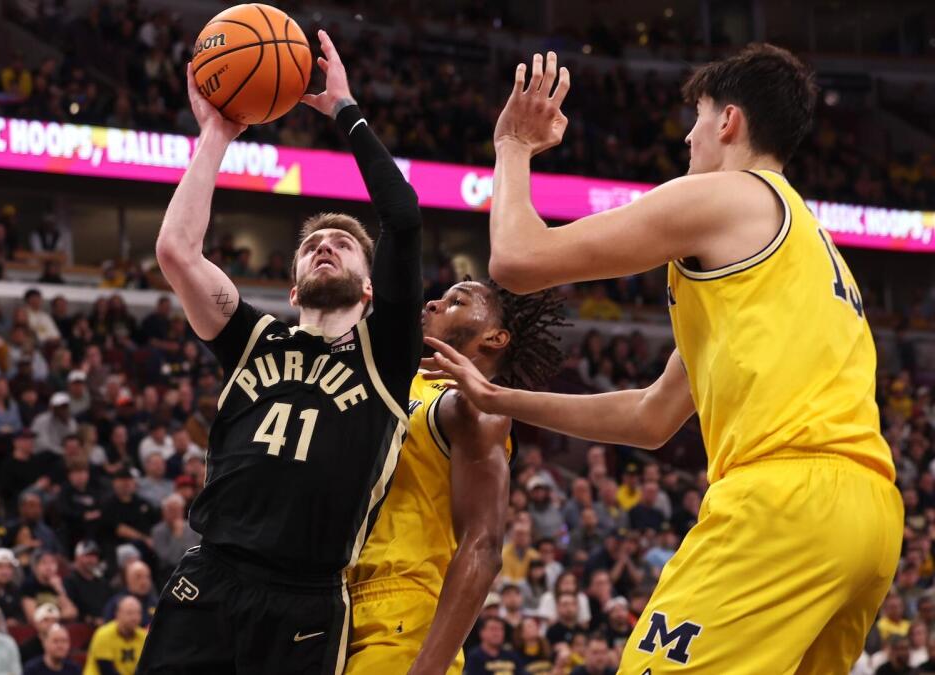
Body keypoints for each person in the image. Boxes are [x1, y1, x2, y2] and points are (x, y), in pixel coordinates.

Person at [433, 44, 902, 672]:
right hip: (869, 516)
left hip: (786, 501)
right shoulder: (805, 246)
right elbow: (651, 418)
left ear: (728, 122)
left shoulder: (724, 196)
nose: (687, 137)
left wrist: (513, 147)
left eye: (697, 118)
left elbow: (517, 260)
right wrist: (499, 398)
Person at [137, 30, 423, 674]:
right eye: (313, 245)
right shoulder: (252, 338)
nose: (326, 246)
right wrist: (216, 134)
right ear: (293, 287)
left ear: (371, 288)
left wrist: (345, 110)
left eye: (343, 245)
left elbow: (403, 219)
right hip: (209, 578)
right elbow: (177, 252)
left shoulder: (385, 354)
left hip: (306, 597)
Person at [345, 280, 563, 674]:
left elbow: (483, 547)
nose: (432, 303)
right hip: (329, 599)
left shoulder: (477, 410)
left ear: (495, 337)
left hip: (403, 611)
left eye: (457, 301)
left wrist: (427, 669)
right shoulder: (394, 383)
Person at [86, 596, 145, 675]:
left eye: (138, 613)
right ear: (117, 614)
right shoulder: (103, 634)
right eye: (129, 613)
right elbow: (106, 671)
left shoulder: (143, 636)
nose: (135, 618)